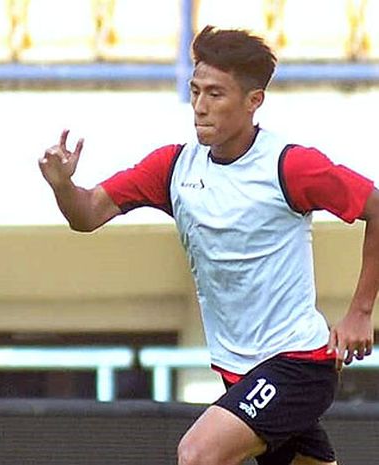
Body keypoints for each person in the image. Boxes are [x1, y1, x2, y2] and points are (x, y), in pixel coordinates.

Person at [38, 26, 379, 465]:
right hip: (238, 373)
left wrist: (360, 312)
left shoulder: (289, 166)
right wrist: (64, 187)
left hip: (297, 363)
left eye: (215, 94)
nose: (199, 107)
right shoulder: (173, 168)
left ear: (254, 101)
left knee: (198, 454)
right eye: (195, 91)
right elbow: (86, 215)